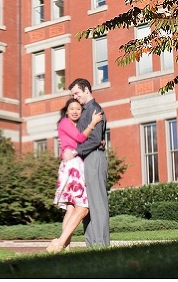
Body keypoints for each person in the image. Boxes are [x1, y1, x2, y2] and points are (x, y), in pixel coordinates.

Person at [46, 98, 103, 252]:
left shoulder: (74, 125)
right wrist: (93, 123)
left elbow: (80, 142)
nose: (75, 111)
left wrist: (97, 142)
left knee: (71, 208)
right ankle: (59, 244)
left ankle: (65, 247)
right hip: (73, 166)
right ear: (66, 110)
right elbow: (79, 139)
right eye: (72, 108)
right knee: (83, 206)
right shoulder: (65, 123)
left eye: (78, 109)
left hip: (74, 164)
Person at [70, 77, 110, 247]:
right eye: (73, 95)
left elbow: (94, 139)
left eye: (77, 93)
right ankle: (91, 244)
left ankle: (101, 244)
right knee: (86, 203)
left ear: (86, 89)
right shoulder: (84, 111)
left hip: (94, 158)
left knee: (97, 203)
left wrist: (75, 151)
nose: (75, 97)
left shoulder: (94, 109)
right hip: (85, 160)